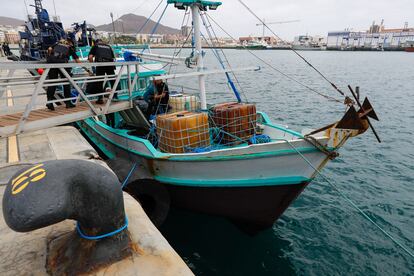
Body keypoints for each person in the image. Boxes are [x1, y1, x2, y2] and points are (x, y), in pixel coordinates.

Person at [46, 38, 82, 110]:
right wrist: (86, 68)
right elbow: (77, 60)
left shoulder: (56, 44)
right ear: (70, 43)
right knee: (66, 83)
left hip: (52, 64)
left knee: (52, 83)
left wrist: (50, 56)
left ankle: (49, 102)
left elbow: (49, 49)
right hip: (62, 64)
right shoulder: (69, 47)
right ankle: (68, 103)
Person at [87, 39, 116, 104]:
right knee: (112, 80)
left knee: (99, 82)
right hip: (110, 64)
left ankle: (100, 99)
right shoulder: (108, 46)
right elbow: (113, 57)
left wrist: (93, 65)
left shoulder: (95, 46)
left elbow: (90, 57)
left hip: (100, 65)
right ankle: (115, 96)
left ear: (96, 43)